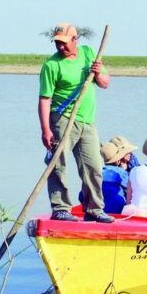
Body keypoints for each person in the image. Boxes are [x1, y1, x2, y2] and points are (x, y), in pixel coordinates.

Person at [38, 22, 113, 223]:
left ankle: (94, 209)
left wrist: (98, 73)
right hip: (62, 119)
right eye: (57, 43)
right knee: (58, 165)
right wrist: (46, 129)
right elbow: (44, 99)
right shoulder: (51, 65)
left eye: (64, 43)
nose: (60, 47)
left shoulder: (88, 53)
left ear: (75, 39)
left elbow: (105, 83)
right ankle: (61, 208)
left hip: (87, 121)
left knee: (94, 166)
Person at [79, 141, 136, 214]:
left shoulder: (95, 173)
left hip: (97, 211)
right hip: (117, 211)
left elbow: (81, 196)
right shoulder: (121, 173)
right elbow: (132, 191)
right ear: (118, 160)